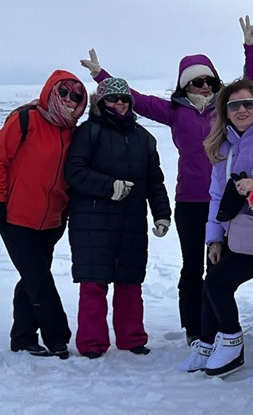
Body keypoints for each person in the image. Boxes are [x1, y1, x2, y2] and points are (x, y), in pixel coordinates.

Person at [81, 49, 221, 346]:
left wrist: (251, 48)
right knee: (193, 266)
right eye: (197, 82)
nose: (205, 87)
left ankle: (218, 323)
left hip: (223, 200)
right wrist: (100, 75)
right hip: (191, 201)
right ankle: (194, 327)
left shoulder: (226, 109)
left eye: (209, 81)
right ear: (185, 86)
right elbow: (134, 99)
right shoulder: (175, 111)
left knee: (219, 267)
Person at [178, 78, 253, 376]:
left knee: (218, 283)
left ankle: (232, 342)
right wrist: (214, 239)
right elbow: (215, 195)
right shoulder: (225, 143)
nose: (242, 110)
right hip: (235, 231)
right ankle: (207, 344)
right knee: (212, 276)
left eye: (248, 104)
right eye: (234, 105)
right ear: (225, 111)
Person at [64, 78, 172, 358]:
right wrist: (109, 186)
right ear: (101, 103)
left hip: (131, 219)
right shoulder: (87, 132)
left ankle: (131, 337)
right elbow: (74, 171)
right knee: (93, 282)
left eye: (124, 99)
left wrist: (162, 214)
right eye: (112, 99)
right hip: (92, 220)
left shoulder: (144, 138)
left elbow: (154, 182)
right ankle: (92, 343)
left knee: (130, 280)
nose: (120, 103)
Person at [0, 70, 88, 359]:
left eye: (76, 95)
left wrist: (66, 212)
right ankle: (57, 336)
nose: (69, 99)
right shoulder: (26, 120)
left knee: (31, 277)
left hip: (52, 220)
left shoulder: (73, 132)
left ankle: (23, 337)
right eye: (63, 92)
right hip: (15, 216)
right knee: (38, 278)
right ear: (50, 91)